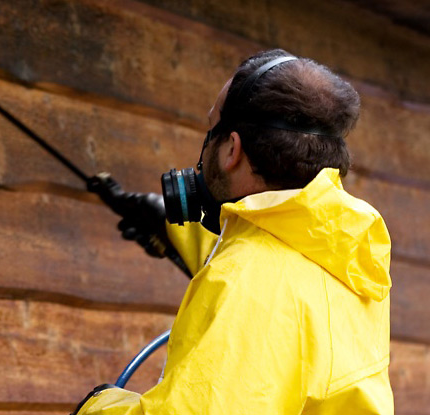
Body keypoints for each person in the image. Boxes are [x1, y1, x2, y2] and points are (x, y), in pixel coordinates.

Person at [73, 49, 393, 414]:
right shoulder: (344, 253)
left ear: (232, 149)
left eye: (212, 129)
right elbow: (277, 270)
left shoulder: (245, 282)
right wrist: (174, 230)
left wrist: (99, 405)